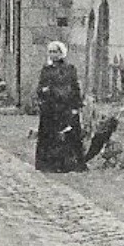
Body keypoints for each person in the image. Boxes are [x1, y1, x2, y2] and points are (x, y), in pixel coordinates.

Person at [34, 41, 85, 172]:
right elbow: (40, 87)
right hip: (50, 107)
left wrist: (76, 105)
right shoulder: (46, 69)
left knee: (68, 134)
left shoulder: (70, 69)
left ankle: (69, 164)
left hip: (65, 106)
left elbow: (75, 87)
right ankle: (49, 165)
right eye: (50, 52)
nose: (52, 55)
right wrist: (43, 92)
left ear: (61, 53)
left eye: (55, 52)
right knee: (50, 135)